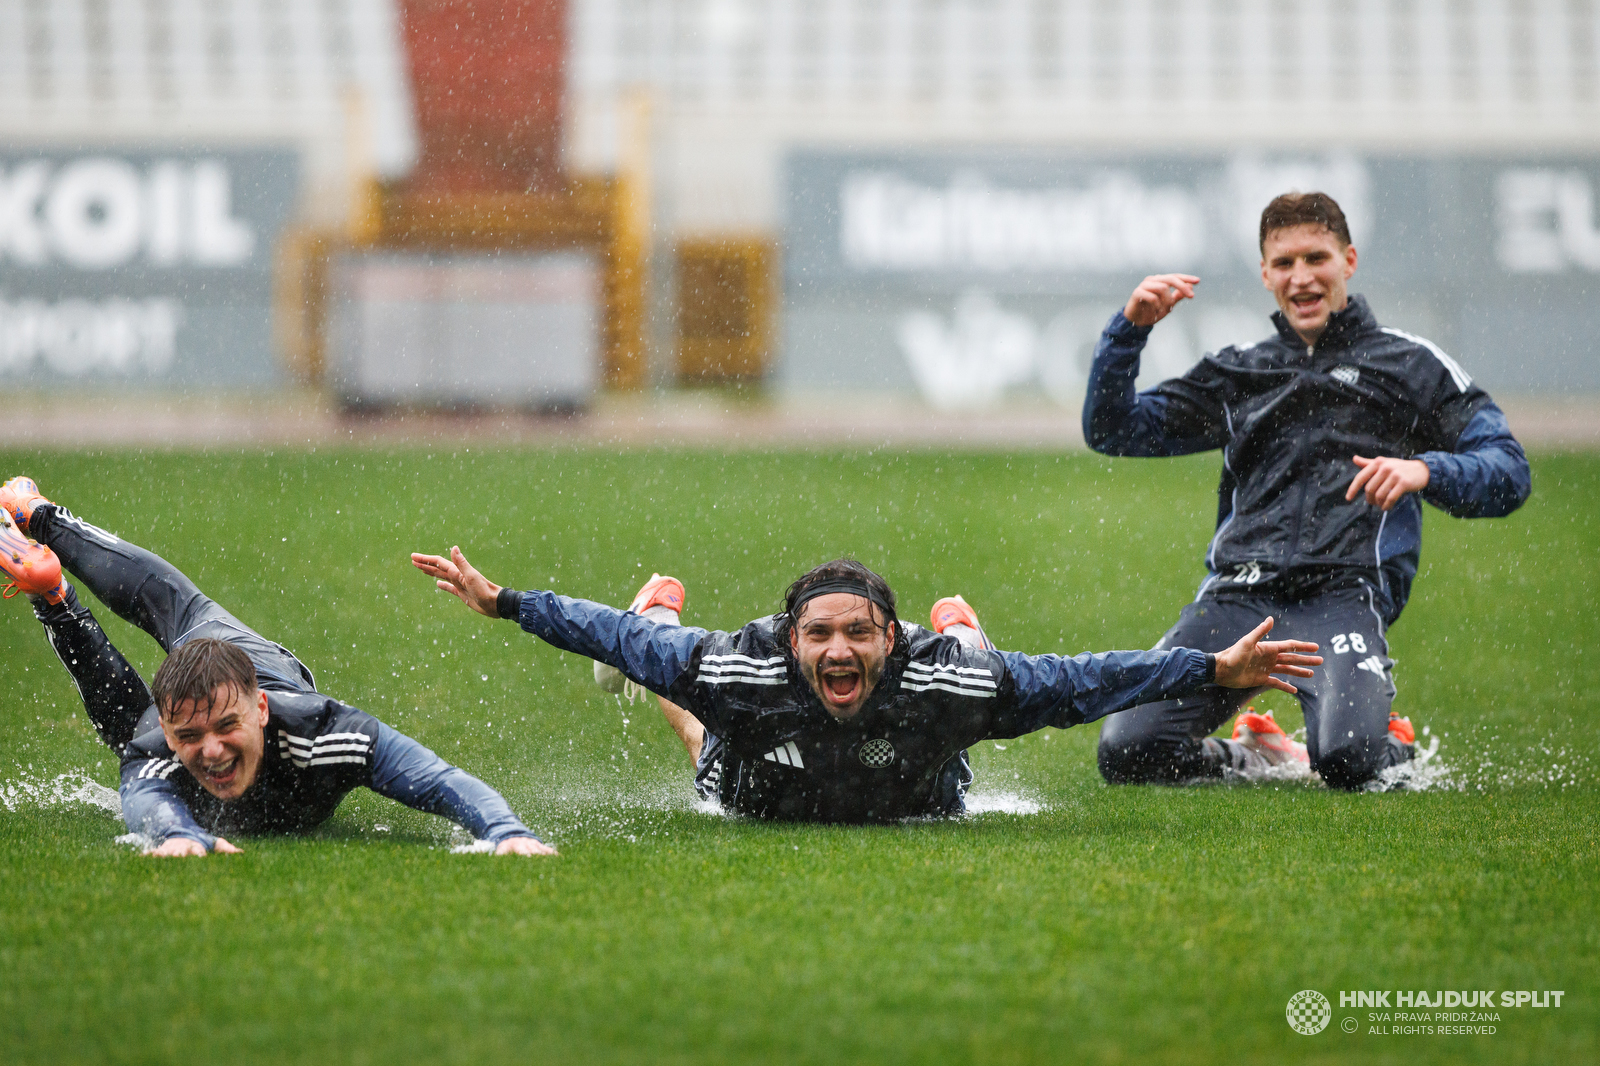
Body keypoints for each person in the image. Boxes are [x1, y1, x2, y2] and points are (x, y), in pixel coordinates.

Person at [1081, 192, 1531, 789]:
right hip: (1239, 595)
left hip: (1344, 594)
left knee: (1349, 761)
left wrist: (1425, 471)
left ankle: (1390, 741)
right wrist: (1129, 331)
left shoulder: (1411, 366)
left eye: (1316, 258)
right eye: (1284, 263)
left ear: (1348, 260)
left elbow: (1509, 471)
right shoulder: (1239, 371)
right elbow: (1113, 430)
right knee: (1127, 753)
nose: (1301, 277)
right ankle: (1255, 754)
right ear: (1266, 274)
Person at [410, 548, 1322, 822]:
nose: (838, 649)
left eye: (858, 633)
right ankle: (661, 613)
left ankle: (962, 627)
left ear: (892, 636)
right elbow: (600, 634)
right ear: (791, 640)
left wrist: (1213, 670)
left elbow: (1084, 682)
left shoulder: (948, 685)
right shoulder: (745, 671)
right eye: (819, 635)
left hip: (926, 782)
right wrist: (504, 603)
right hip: (759, 785)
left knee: (985, 675)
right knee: (690, 709)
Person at [0, 476, 554, 857]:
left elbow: (437, 779)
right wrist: (175, 834)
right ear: (169, 733)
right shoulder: (157, 748)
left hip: (250, 658)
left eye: (226, 726)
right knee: (129, 730)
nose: (212, 751)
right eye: (189, 736)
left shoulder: (325, 733)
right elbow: (144, 798)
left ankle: (40, 525)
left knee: (175, 606)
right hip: (201, 684)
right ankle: (51, 587)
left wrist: (504, 830)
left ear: (260, 710)